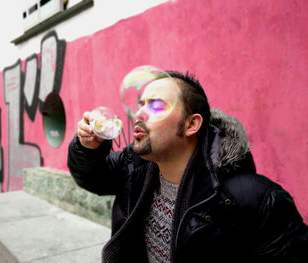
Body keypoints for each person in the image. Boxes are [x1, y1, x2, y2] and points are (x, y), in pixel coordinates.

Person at [67, 71, 308, 263]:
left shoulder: (256, 199)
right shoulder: (135, 164)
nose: (139, 113)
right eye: (140, 104)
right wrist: (88, 148)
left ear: (191, 124)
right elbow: (93, 178)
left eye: (156, 105)